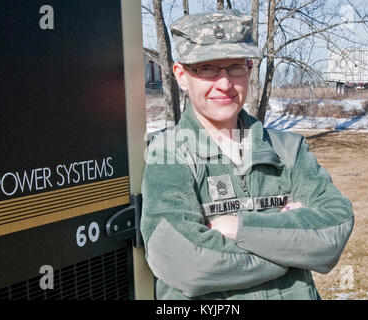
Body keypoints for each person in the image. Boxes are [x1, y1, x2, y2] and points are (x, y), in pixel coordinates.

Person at [140, 9, 354, 300]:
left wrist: (240, 227)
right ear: (181, 76)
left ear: (250, 70)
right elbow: (186, 262)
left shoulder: (288, 150)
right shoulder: (168, 156)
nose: (225, 83)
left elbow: (335, 227)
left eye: (235, 67)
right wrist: (292, 251)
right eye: (207, 68)